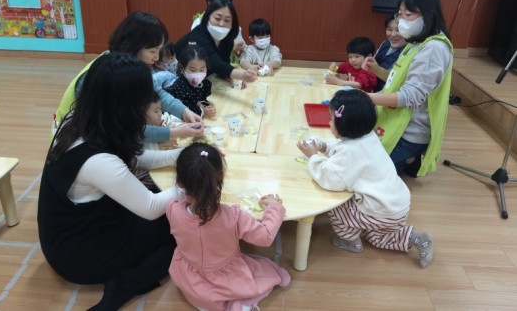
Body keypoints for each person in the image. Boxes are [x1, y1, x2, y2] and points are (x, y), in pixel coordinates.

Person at [38, 53, 184, 310]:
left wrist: (180, 155)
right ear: (126, 106)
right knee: (180, 231)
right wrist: (190, 181)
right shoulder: (98, 161)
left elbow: (133, 157)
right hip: (77, 253)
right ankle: (122, 287)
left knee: (173, 218)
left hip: (76, 225)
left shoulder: (82, 120)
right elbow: (150, 207)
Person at [296, 89, 433, 268]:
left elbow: (330, 178)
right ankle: (417, 238)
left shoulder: (351, 151)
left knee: (335, 204)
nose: (329, 123)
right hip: (396, 205)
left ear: (343, 125)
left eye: (331, 119)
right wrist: (322, 146)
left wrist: (313, 157)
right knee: (378, 238)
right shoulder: (368, 136)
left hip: (379, 210)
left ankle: (351, 241)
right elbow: (341, 147)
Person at [166, 142, 291, 311]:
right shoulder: (233, 217)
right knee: (270, 272)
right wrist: (274, 207)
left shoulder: (172, 209)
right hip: (226, 282)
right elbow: (266, 236)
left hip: (189, 283)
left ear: (180, 183)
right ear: (222, 176)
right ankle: (238, 305)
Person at [54, 11, 204, 144]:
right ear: (135, 46)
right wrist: (174, 132)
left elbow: (156, 92)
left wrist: (184, 112)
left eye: (159, 50)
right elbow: (125, 130)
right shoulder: (112, 76)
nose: (157, 57)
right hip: (76, 139)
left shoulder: (131, 67)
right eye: (153, 51)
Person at [364, 0, 453, 177]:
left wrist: (366, 98)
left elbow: (409, 97)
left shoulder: (434, 47)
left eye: (408, 15)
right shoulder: (415, 43)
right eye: (400, 14)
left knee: (369, 174)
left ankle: (412, 154)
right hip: (395, 118)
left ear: (427, 15)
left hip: (410, 130)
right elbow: (396, 80)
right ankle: (409, 160)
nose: (401, 21)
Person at [176, 0, 258, 87]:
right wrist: (241, 75)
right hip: (184, 80)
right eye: (217, 18)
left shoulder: (227, 39)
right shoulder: (198, 36)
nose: (222, 24)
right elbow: (214, 62)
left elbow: (224, 63)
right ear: (208, 17)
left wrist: (231, 77)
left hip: (205, 80)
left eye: (227, 20)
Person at [191, 0, 246, 65]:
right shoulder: (199, 22)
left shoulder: (232, 22)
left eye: (226, 2)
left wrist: (241, 46)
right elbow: (195, 48)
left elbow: (241, 47)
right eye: (219, 1)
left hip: (230, 66)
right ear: (209, 2)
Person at [165, 45, 216, 118]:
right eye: (192, 70)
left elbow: (202, 99)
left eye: (202, 70)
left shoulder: (205, 83)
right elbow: (186, 110)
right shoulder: (181, 86)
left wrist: (206, 107)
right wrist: (203, 111)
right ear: (182, 69)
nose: (198, 74)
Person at [368, 12, 407, 91]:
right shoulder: (386, 43)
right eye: (389, 29)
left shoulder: (410, 51)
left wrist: (376, 69)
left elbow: (399, 82)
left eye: (398, 30)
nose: (393, 34)